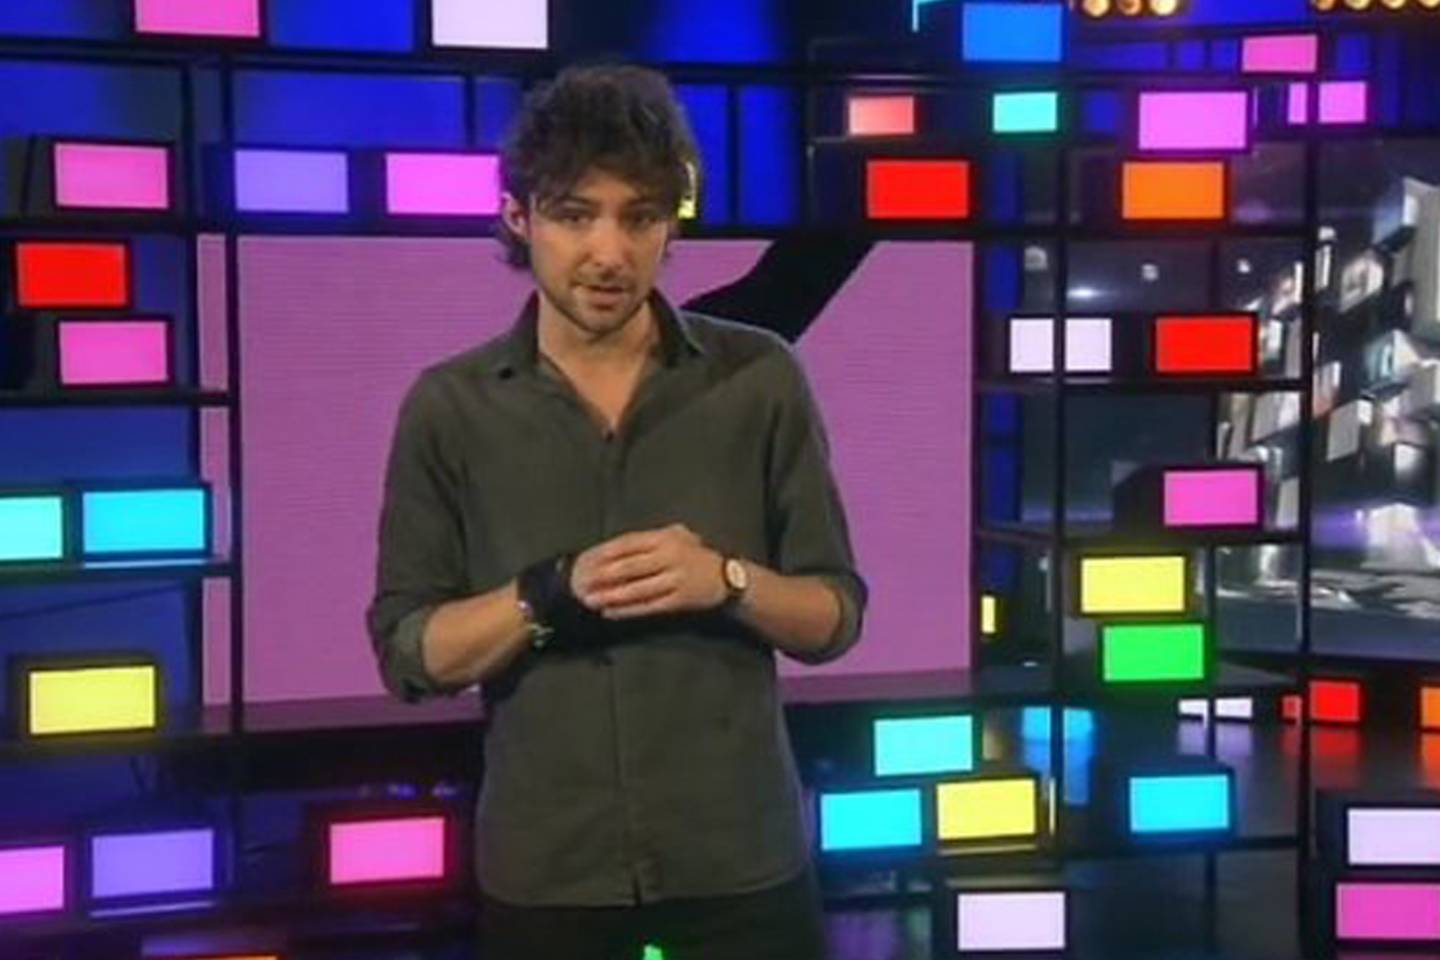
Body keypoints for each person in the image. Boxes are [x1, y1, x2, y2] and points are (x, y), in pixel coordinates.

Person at [366, 62, 867, 960]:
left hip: (741, 867)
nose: (609, 252)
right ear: (518, 217)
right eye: (574, 214)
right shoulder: (450, 406)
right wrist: (545, 595)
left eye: (640, 217)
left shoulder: (760, 377)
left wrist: (727, 580)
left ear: (672, 224)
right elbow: (410, 654)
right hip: (551, 874)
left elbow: (834, 616)